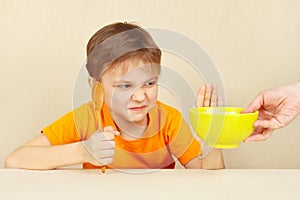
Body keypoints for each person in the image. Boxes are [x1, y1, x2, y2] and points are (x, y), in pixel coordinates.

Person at [5, 22, 224, 170]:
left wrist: (213, 139)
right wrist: (82, 151)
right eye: (125, 86)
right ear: (96, 85)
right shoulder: (87, 118)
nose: (140, 97)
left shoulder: (168, 120)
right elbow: (14, 160)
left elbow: (206, 178)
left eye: (149, 83)